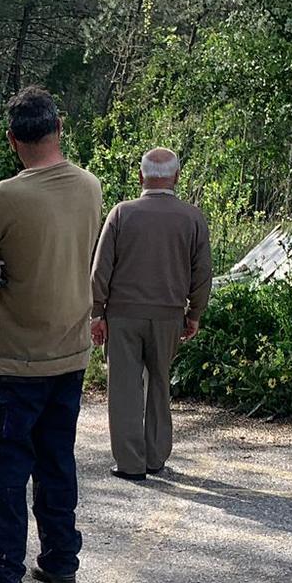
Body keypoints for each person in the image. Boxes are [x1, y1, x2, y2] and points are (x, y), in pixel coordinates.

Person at [0, 86, 102, 583]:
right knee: (58, 460)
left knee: (8, 466)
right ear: (59, 128)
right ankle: (61, 560)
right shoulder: (90, 186)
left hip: (17, 356)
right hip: (71, 349)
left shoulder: (7, 195)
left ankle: (2, 572)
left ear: (12, 140)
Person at [91, 148, 212, 480]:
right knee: (159, 383)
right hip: (169, 315)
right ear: (176, 177)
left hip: (123, 316)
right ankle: (156, 457)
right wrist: (194, 313)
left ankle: (130, 464)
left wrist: (96, 312)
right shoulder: (192, 217)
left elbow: (101, 269)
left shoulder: (121, 213)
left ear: (141, 176)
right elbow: (201, 273)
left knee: (125, 389)